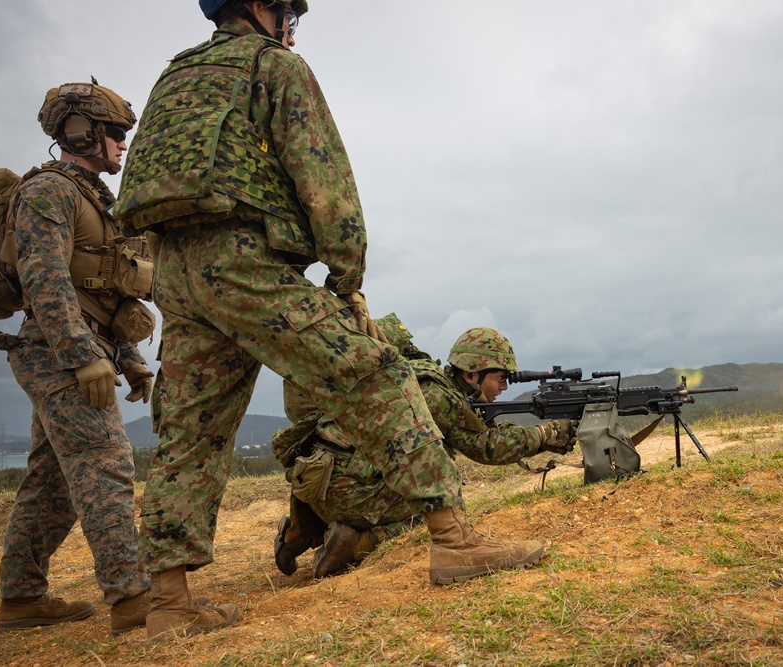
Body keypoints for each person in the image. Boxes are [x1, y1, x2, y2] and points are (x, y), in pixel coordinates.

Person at [112, 0, 544, 641]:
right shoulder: (274, 65)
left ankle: (170, 603)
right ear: (262, 7)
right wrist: (346, 280)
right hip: (245, 262)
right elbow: (324, 177)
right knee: (381, 374)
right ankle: (454, 540)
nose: (290, 23)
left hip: (175, 272)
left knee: (188, 435)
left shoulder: (174, 75)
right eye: (288, 10)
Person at [0, 80, 155, 635]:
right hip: (58, 354)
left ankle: (22, 599)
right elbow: (43, 279)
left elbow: (97, 293)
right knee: (104, 465)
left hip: (76, 350)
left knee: (51, 483)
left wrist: (126, 357)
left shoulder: (95, 199)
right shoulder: (48, 192)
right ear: (82, 133)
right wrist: (82, 356)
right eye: (116, 133)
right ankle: (134, 600)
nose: (124, 144)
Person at [272, 324, 579, 580]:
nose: (504, 387)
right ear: (472, 374)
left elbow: (482, 432)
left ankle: (301, 533)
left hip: (313, 485)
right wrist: (545, 434)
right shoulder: (439, 396)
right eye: (500, 378)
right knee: (430, 507)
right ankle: (354, 544)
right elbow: (485, 447)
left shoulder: (421, 377)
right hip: (353, 494)